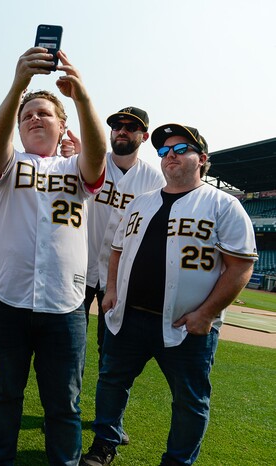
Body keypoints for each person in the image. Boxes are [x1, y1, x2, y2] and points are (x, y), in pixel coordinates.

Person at [81, 124, 258, 466]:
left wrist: (207, 314)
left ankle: (177, 462)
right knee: (112, 383)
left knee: (189, 400)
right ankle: (104, 445)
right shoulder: (142, 203)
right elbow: (117, 250)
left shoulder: (223, 205)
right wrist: (112, 291)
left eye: (180, 149)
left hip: (186, 324)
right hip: (129, 317)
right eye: (163, 152)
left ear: (202, 159)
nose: (170, 156)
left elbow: (240, 267)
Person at [0, 47, 107, 466]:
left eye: (45, 113)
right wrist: (18, 84)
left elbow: (97, 154)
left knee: (63, 404)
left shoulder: (76, 168)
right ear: (17, 127)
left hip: (64, 304)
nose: (35, 118)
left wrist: (82, 96)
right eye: (27, 115)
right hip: (7, 297)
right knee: (5, 395)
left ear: (63, 125)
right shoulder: (9, 160)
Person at [85, 107, 165, 362]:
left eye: (131, 127)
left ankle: (102, 402)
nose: (122, 131)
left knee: (109, 350)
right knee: (66, 345)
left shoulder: (154, 180)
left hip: (118, 279)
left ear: (144, 135)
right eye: (117, 126)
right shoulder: (90, 162)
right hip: (78, 267)